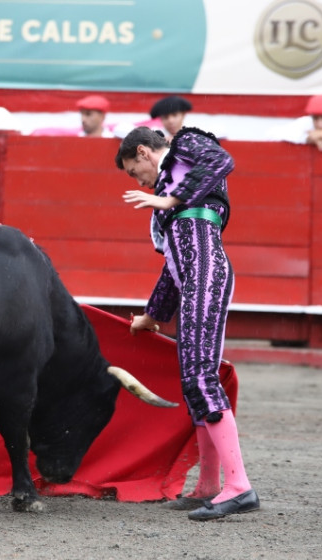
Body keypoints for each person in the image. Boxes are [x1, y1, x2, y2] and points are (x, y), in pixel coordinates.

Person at [115, 126, 259, 521]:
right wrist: (151, 316)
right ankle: (210, 485)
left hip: (207, 274)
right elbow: (173, 267)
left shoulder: (185, 146)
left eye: (133, 171)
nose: (138, 181)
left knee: (199, 377)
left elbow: (221, 160)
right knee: (195, 377)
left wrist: (168, 199)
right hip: (194, 277)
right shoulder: (165, 200)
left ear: (144, 152)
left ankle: (239, 486)